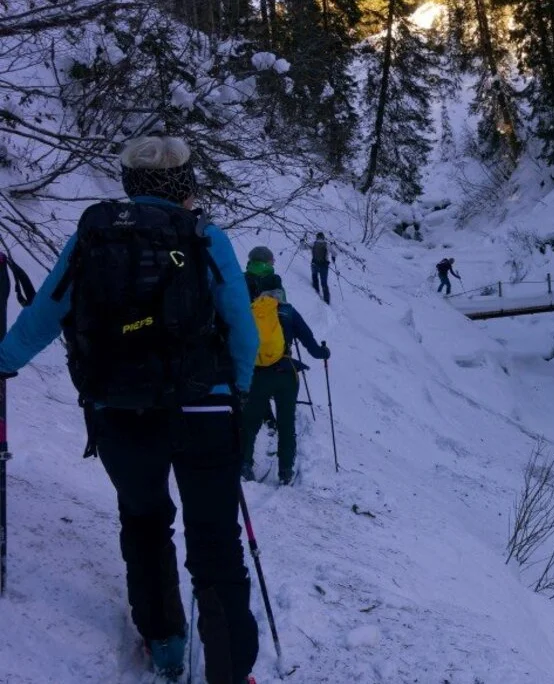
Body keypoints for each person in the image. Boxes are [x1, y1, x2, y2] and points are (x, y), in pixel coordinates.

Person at [0, 136, 259, 683]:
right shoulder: (205, 237)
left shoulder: (92, 239)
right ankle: (231, 671)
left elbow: (46, 312)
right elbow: (241, 324)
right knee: (215, 540)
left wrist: (4, 360)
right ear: (185, 183)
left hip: (118, 409)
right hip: (203, 410)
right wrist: (235, 391)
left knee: (144, 524)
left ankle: (164, 645)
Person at [241, 270, 329, 485]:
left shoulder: (252, 311)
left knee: (250, 422)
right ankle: (285, 470)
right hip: (286, 376)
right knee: (286, 423)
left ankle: (244, 463)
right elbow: (312, 347)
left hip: (258, 375)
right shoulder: (289, 312)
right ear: (281, 292)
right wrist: (324, 353)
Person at [311, 232, 334, 304]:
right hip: (324, 266)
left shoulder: (313, 243)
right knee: (324, 283)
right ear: (323, 237)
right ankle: (327, 300)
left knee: (315, 277)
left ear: (317, 237)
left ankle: (316, 291)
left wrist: (302, 242)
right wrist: (333, 257)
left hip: (314, 264)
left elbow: (303, 247)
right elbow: (334, 253)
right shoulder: (327, 244)